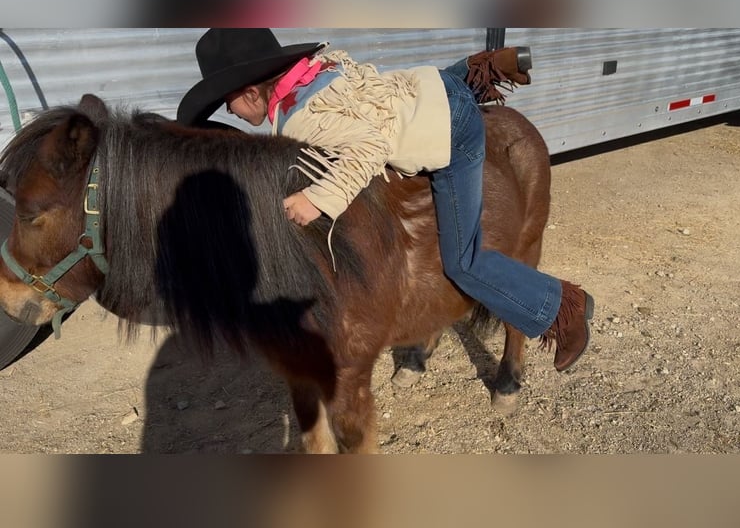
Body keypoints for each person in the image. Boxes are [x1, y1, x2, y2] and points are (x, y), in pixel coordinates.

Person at [177, 28, 594, 371]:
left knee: (465, 261)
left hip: (453, 129)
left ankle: (563, 309)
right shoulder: (312, 72)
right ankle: (478, 69)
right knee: (432, 89)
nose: (229, 112)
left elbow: (369, 147)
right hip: (434, 87)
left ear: (251, 92)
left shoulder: (304, 115)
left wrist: (318, 200)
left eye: (227, 102)